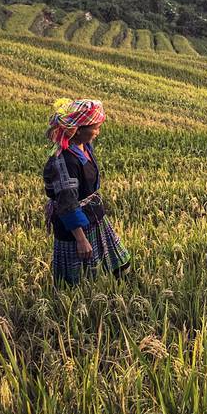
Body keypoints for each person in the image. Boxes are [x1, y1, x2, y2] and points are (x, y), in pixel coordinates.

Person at [43, 97, 132, 285]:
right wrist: (81, 240)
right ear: (77, 131)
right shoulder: (64, 161)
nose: (98, 132)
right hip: (74, 227)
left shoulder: (84, 147)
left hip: (95, 217)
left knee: (121, 266)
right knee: (74, 281)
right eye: (95, 127)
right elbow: (67, 203)